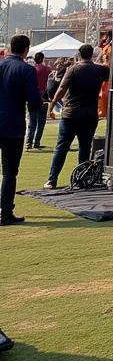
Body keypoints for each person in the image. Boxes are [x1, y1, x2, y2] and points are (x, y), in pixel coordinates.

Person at [43, 44, 109, 189]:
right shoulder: (100, 70)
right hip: (90, 115)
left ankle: (52, 179)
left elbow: (62, 88)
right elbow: (110, 70)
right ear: (92, 54)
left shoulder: (73, 69)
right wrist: (104, 58)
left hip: (71, 114)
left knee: (62, 147)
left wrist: (52, 104)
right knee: (84, 148)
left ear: (79, 54)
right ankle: (82, 180)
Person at [0, 35, 43, 224]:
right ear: (26, 49)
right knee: (9, 172)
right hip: (13, 126)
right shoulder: (26, 70)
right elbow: (33, 102)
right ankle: (5, 212)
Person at [25, 51, 52, 150]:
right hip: (44, 96)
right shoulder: (47, 69)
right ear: (42, 58)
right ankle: (37, 142)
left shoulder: (31, 69)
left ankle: (29, 142)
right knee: (41, 122)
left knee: (32, 122)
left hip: (33, 96)